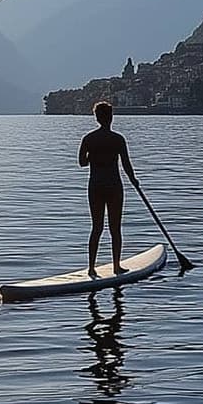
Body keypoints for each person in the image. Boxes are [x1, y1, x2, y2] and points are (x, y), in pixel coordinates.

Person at [78, 100, 137, 276]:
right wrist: (134, 180)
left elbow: (82, 163)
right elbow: (126, 165)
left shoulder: (88, 139)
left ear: (96, 118)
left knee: (96, 228)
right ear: (111, 118)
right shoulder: (118, 139)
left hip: (95, 186)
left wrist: (93, 157)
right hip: (114, 187)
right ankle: (117, 266)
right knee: (115, 228)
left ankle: (91, 268)